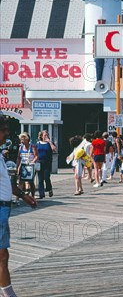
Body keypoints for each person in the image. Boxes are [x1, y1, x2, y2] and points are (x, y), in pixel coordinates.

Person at [0, 116, 37, 297]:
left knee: (3, 254)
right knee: (1, 255)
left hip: (4, 208)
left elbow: (6, 182)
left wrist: (23, 196)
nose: (7, 134)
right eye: (4, 130)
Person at [36, 130, 56, 199]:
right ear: (41, 136)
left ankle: (49, 188)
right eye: (45, 135)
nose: (46, 136)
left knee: (46, 177)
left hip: (47, 162)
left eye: (47, 135)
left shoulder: (50, 143)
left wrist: (49, 141)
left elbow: (54, 149)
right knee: (40, 179)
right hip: (39, 162)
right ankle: (41, 194)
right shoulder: (38, 143)